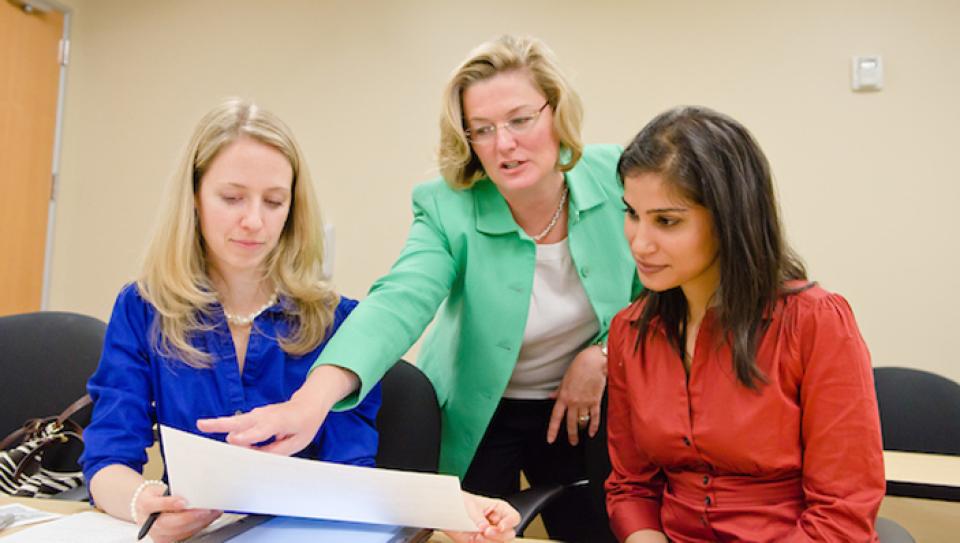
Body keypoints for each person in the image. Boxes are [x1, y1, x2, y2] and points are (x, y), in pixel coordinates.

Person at [199, 36, 639, 542]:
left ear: (556, 111)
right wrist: (310, 403)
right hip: (483, 411)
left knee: (604, 528)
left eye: (521, 120)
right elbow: (396, 303)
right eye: (483, 129)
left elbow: (654, 290)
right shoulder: (448, 206)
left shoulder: (616, 176)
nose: (505, 144)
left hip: (584, 404)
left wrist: (603, 353)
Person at [79, 99, 517, 543]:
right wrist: (145, 504)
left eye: (274, 201)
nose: (254, 221)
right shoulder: (143, 308)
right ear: (194, 196)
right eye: (232, 198)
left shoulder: (340, 324)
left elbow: (351, 473)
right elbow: (107, 458)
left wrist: (443, 507)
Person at [604, 106, 885, 542]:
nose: (640, 242)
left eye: (666, 221)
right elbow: (631, 487)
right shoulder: (631, 330)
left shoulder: (815, 323)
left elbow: (841, 512)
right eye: (632, 214)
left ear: (729, 220)